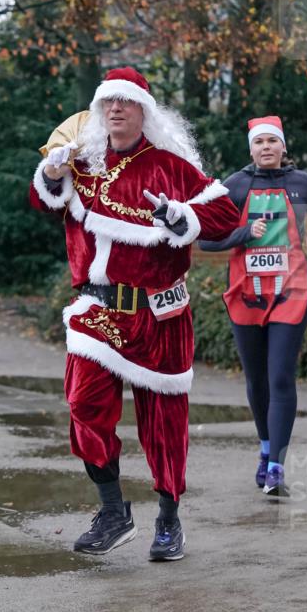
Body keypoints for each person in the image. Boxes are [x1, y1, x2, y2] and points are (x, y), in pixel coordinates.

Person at [29, 67, 240, 560]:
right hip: (97, 308)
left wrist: (179, 216)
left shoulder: (170, 166)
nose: (116, 110)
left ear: (144, 110)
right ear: (99, 111)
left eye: (125, 102)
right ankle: (112, 510)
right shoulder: (83, 164)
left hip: (158, 313)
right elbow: (42, 201)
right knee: (83, 404)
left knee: (164, 423)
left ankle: (168, 519)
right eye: (108, 104)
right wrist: (52, 173)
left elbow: (227, 215)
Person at [199, 116, 307, 496]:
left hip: (292, 292)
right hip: (245, 294)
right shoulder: (235, 185)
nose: (265, 147)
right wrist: (245, 233)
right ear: (250, 148)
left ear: (282, 146)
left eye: (271, 141)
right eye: (259, 141)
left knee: (280, 377)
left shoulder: (302, 183)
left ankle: (276, 466)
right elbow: (205, 240)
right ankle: (265, 449)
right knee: (256, 379)